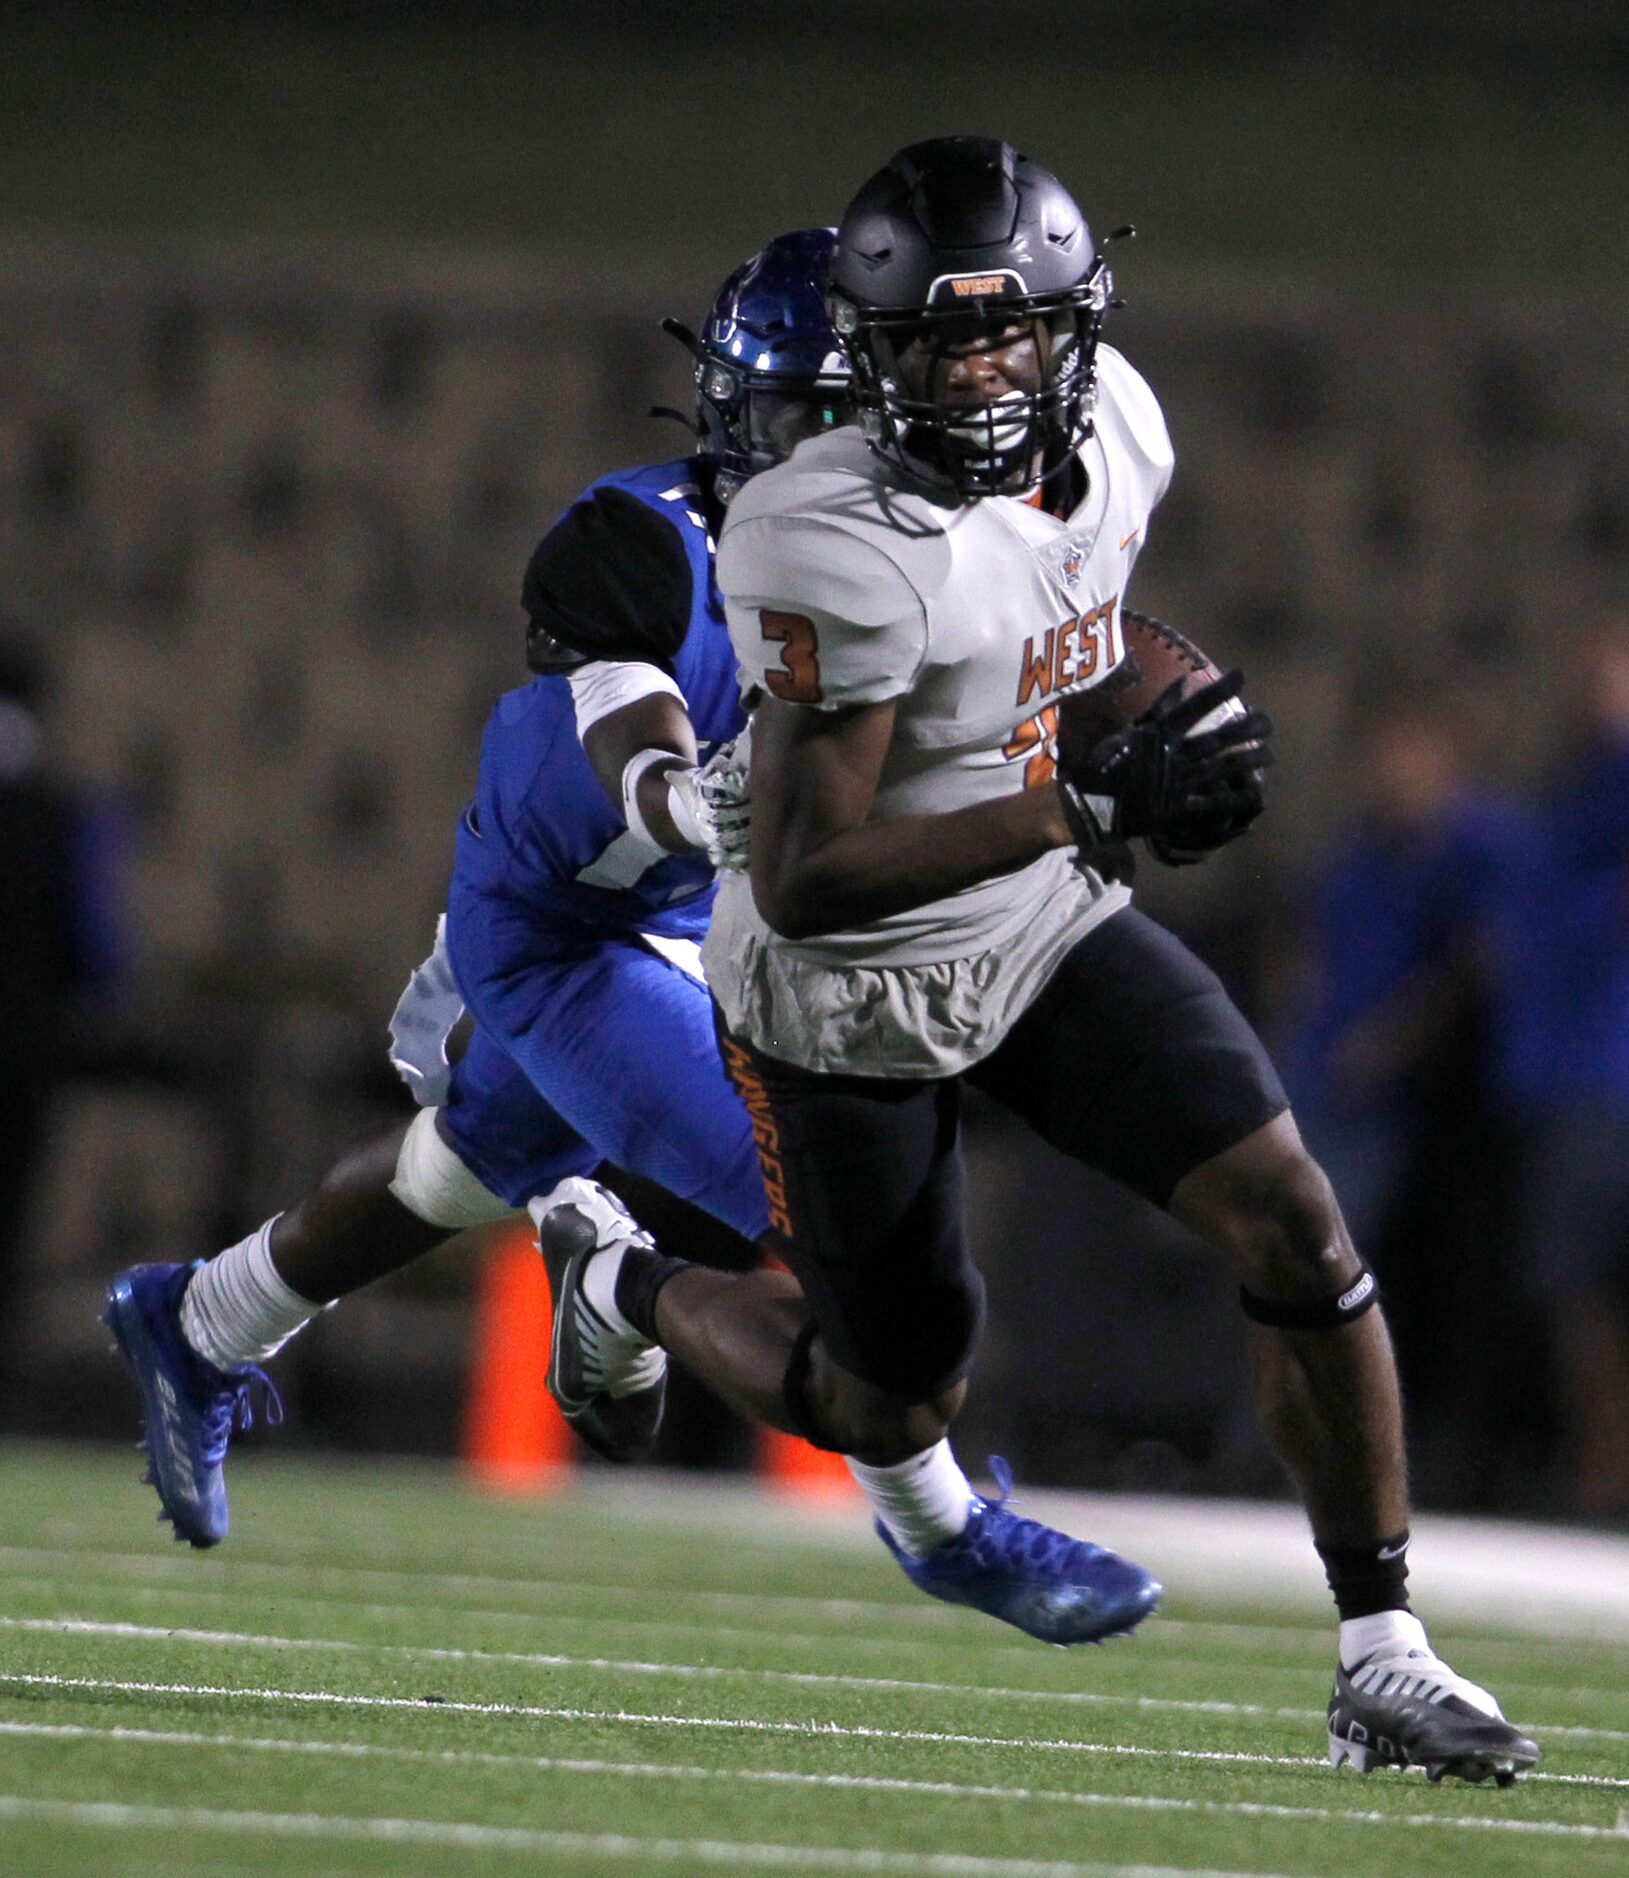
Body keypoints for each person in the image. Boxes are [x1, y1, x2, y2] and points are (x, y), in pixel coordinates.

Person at [538, 138, 1537, 1785]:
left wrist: (1147, 726)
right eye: (939, 340)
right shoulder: (825, 529)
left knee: (1286, 1210)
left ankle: (1382, 1651)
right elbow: (800, 877)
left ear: (1076, 325)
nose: (983, 369)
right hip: (842, 983)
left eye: (1011, 333)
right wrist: (1078, 789)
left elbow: (1049, 638)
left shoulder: (1125, 426)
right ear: (874, 354)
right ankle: (618, 1275)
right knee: (887, 1400)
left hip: (1033, 917)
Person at [104, 229, 852, 1536]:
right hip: (588, 933)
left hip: (702, 937)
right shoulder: (645, 546)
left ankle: (200, 1316)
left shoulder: (922, 564)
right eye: (808, 419)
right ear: (737, 407)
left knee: (462, 1170)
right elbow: (644, 770)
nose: (835, 463)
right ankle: (650, 1312)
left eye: (857, 426)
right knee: (856, 1244)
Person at [1490, 614, 1629, 1517]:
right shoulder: (1568, 793)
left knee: (1591, 1288)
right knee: (1575, 1292)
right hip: (1564, 1076)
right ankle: (1600, 1471)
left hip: (1604, 1076)